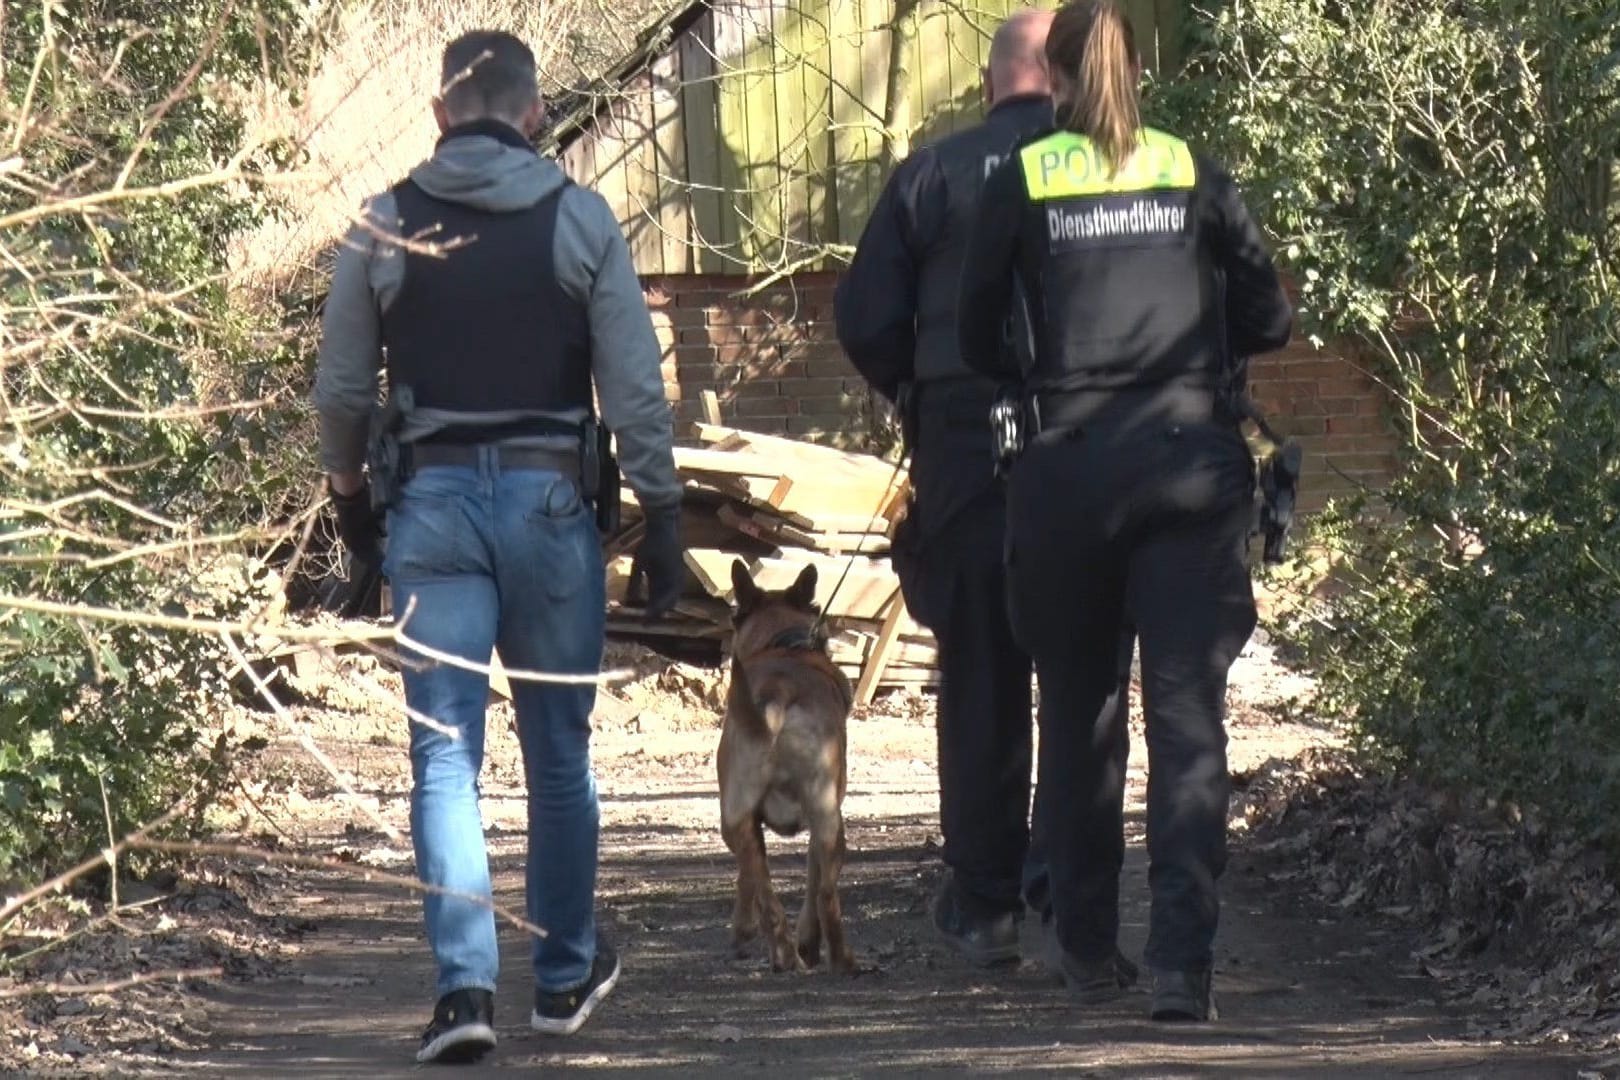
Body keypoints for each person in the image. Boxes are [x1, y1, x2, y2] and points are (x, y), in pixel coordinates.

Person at [313, 30, 684, 1064]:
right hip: (551, 505)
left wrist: (350, 503)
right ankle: (563, 976)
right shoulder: (580, 220)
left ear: (438, 115)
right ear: (534, 117)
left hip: (428, 509)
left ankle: (464, 993)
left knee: (443, 755)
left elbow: (343, 391)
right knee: (558, 752)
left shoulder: (385, 224)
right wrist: (661, 514)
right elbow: (635, 390)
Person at [956, 0, 1292, 1022]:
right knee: (1187, 719)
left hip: (1068, 471)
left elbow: (975, 335)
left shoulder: (1024, 178)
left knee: (1081, 714)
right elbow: (1269, 315)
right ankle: (1184, 964)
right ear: (1135, 70)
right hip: (1192, 465)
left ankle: (1091, 948)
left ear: (1051, 78)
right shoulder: (1192, 170)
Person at [836, 8, 1130, 970]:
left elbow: (867, 315)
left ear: (992, 77)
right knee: (1078, 669)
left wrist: (922, 397)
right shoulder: (1116, 170)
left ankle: (985, 899)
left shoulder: (930, 175)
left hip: (965, 443)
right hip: (1087, 442)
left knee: (979, 671)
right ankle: (1067, 887)